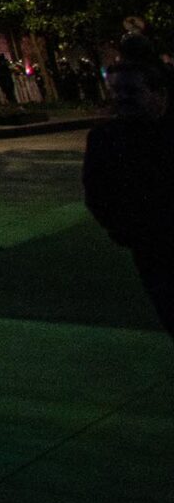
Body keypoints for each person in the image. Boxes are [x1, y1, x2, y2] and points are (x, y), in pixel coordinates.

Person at [83, 40, 174, 337]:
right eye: (116, 92)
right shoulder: (105, 139)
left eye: (132, 92)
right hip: (152, 249)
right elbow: (98, 193)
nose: (122, 99)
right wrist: (127, 231)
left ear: (159, 94)